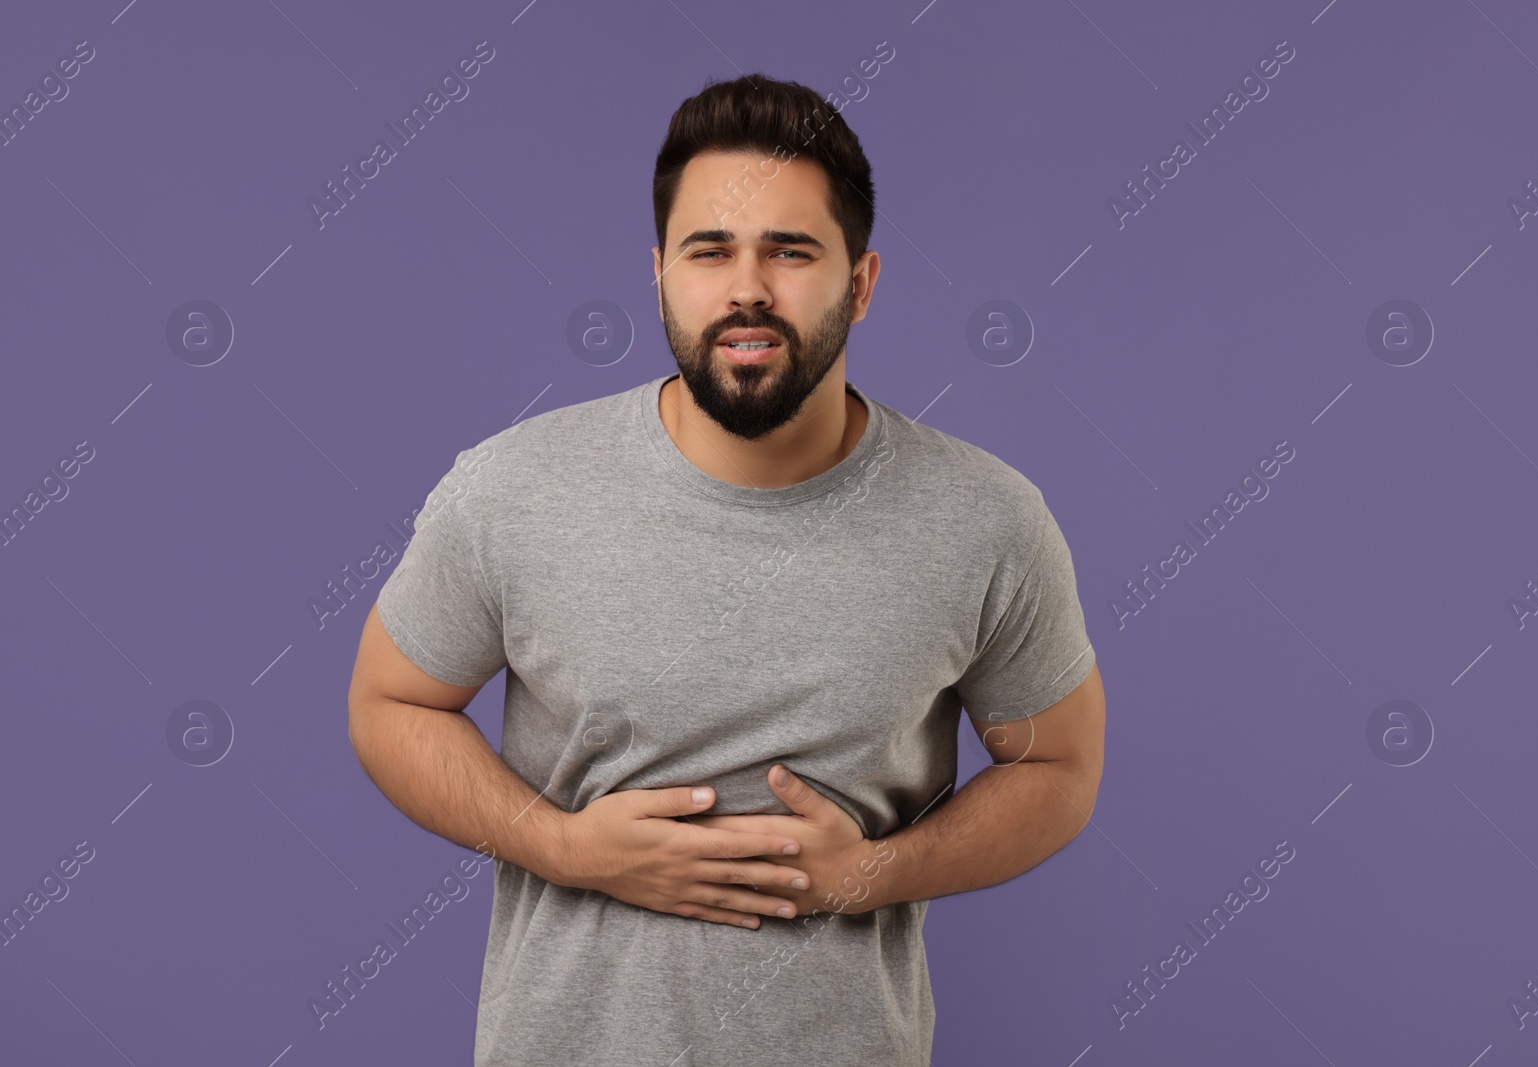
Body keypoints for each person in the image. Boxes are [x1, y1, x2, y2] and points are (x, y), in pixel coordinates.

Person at [347, 71, 1106, 1066]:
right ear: (660, 272)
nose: (747, 286)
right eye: (711, 251)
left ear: (862, 282)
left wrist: (872, 871)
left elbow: (1059, 766)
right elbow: (389, 703)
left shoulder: (984, 519)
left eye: (790, 251)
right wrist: (562, 845)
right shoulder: (510, 490)